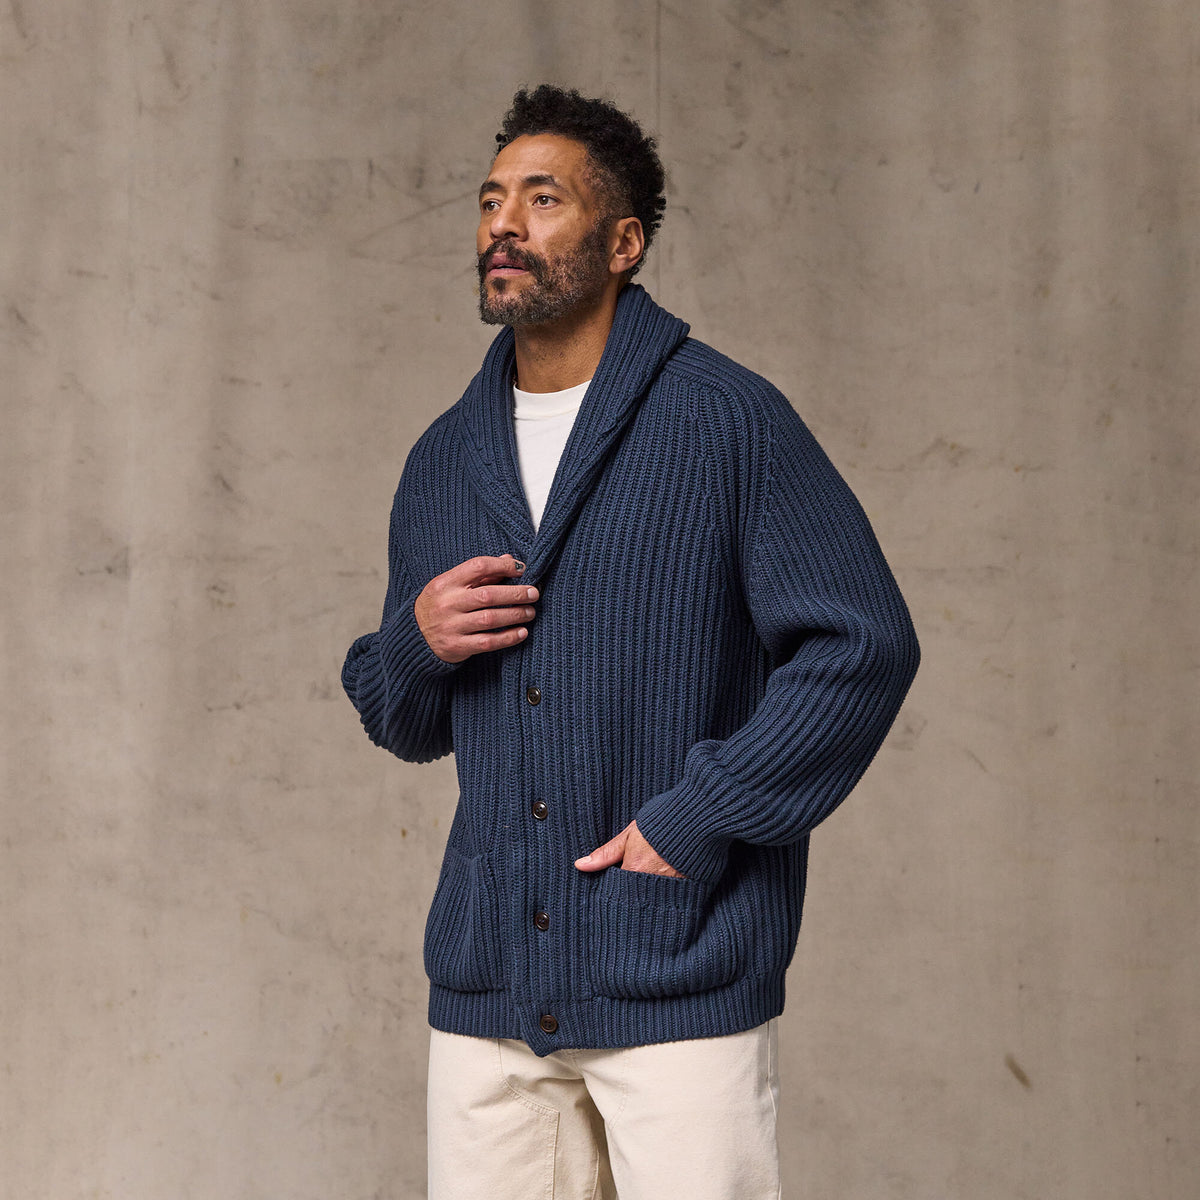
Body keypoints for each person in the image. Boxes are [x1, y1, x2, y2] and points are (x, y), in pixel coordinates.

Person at [342, 84, 919, 1200]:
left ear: (622, 243)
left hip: (675, 963)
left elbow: (862, 646)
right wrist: (415, 645)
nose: (503, 224)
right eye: (490, 200)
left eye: (541, 199)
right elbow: (404, 722)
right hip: (490, 986)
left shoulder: (725, 421)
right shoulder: (444, 459)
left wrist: (701, 817)